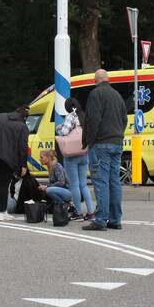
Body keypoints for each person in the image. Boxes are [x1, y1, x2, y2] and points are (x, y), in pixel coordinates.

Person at [81, 69, 128, 231]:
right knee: (114, 181)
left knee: (101, 181)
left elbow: (93, 120)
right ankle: (115, 219)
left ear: (96, 81)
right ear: (107, 79)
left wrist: (90, 142)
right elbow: (124, 119)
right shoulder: (117, 96)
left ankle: (100, 219)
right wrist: (118, 135)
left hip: (101, 144)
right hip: (117, 143)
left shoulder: (96, 94)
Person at [57, 97, 93, 221]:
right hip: (84, 153)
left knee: (74, 185)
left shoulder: (70, 116)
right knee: (83, 185)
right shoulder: (83, 116)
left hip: (72, 155)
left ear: (67, 107)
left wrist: (59, 128)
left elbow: (65, 132)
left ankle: (78, 212)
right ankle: (90, 212)